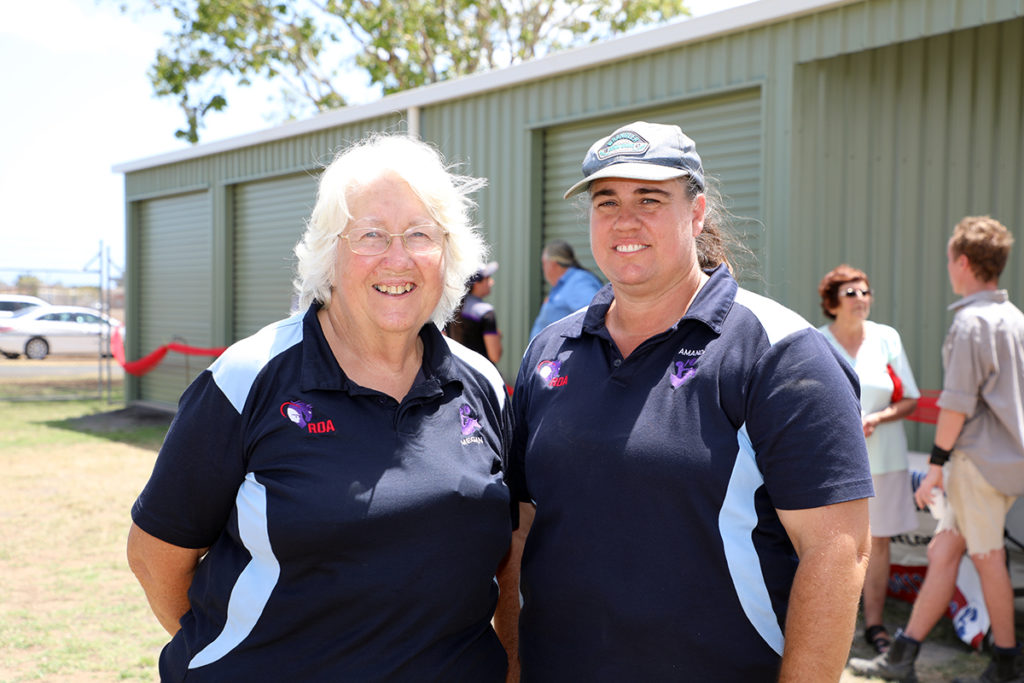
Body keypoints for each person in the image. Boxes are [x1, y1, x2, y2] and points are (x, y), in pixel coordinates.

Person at [126, 133, 515, 681]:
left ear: (449, 253)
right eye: (371, 234)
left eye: (420, 235)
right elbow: (156, 556)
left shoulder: (482, 384)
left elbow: (511, 545)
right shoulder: (249, 376)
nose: (397, 258)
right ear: (328, 251)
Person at [503, 121, 873, 680]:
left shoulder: (780, 352)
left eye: (649, 199)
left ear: (696, 213)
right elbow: (521, 525)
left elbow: (837, 551)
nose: (625, 221)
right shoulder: (549, 349)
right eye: (607, 202)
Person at [849, 216, 1024, 683]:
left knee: (987, 560)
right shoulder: (1013, 318)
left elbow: (956, 405)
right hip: (1002, 462)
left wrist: (936, 466)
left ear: (962, 262)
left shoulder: (971, 323)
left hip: (976, 465)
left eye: (950, 257)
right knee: (945, 553)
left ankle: (1007, 661)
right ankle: (902, 658)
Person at [817, 264, 921, 655]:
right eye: (851, 293)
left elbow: (909, 398)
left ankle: (874, 626)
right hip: (834, 459)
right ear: (832, 302)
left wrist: (877, 418)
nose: (861, 299)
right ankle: (830, 628)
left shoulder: (886, 338)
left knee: (878, 546)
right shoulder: (816, 341)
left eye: (865, 292)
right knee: (833, 543)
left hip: (886, 458)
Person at [528, 239, 603, 340]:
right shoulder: (562, 285)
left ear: (553, 264)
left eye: (544, 263)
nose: (543, 269)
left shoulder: (578, 281)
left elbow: (596, 315)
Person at [445, 261, 502, 365]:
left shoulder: (451, 309)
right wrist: (497, 337)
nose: (491, 282)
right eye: (487, 278)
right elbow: (495, 356)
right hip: (480, 376)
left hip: (457, 371)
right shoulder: (486, 312)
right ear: (476, 283)